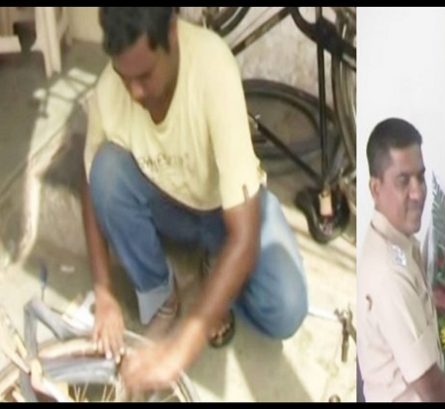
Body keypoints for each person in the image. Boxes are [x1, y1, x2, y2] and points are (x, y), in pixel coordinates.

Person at [82, 7, 308, 391]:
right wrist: (104, 293)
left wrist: (180, 349)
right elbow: (90, 181)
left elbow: (245, 234)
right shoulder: (109, 90)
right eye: (124, 76)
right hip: (169, 205)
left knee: (286, 309)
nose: (135, 92)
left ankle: (215, 280)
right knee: (106, 170)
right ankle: (162, 295)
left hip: (230, 211)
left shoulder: (212, 66)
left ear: (172, 34)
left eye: (145, 75)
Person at [357, 117, 445, 402]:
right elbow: (430, 385)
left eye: (420, 177)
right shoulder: (388, 272)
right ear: (375, 189)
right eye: (403, 181)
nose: (418, 192)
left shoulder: (401, 245)